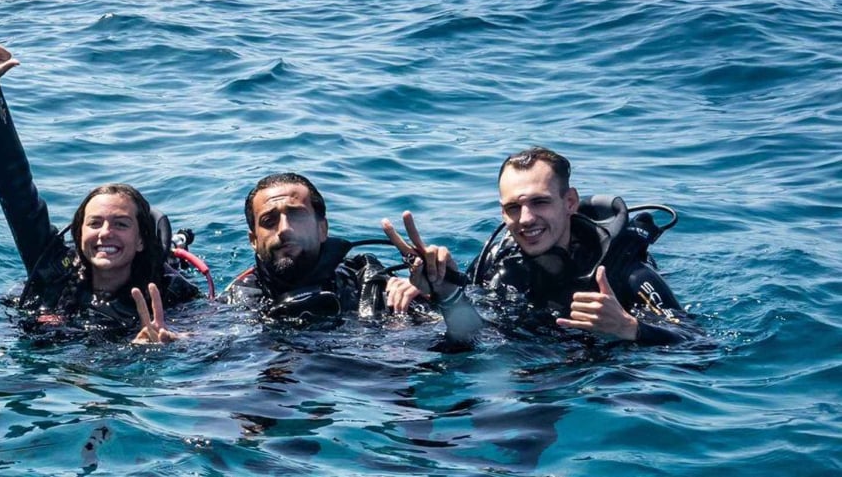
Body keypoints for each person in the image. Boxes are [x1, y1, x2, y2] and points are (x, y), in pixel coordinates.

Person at [0, 28, 199, 342]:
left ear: (140, 240)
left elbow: (215, 339)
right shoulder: (54, 268)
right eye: (95, 223)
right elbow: (12, 186)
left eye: (121, 224)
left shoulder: (171, 293)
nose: (105, 233)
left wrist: (172, 348)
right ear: (79, 234)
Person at [382, 147, 695, 345]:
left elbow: (698, 345)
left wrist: (629, 328)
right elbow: (472, 333)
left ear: (569, 202)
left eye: (540, 202)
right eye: (513, 208)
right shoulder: (498, 262)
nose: (526, 219)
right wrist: (439, 291)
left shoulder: (628, 274)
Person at [222, 172, 394, 322]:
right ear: (254, 241)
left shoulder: (368, 284)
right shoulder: (234, 305)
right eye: (269, 221)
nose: (284, 229)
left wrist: (413, 290)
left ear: (322, 229)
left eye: (296, 216)